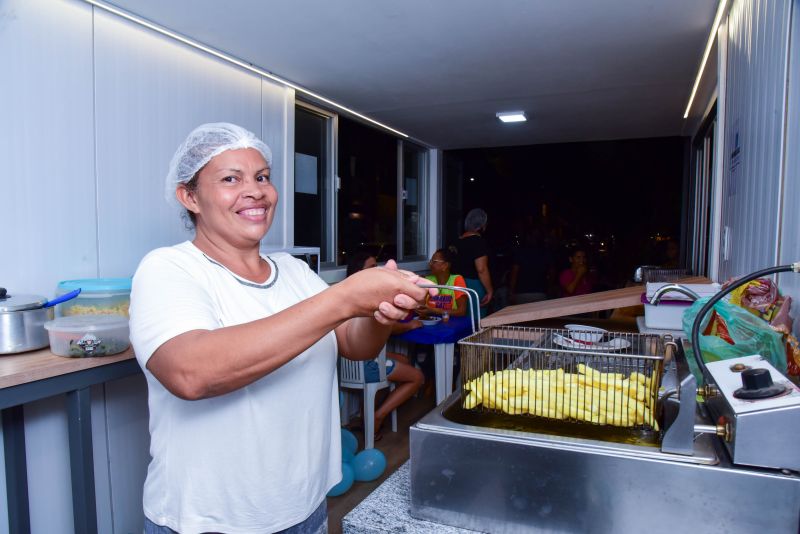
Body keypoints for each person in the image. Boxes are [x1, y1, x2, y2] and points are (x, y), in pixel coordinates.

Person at [129, 123, 432, 534]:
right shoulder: (169, 269)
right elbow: (190, 372)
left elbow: (353, 344)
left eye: (262, 177)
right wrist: (342, 298)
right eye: (231, 179)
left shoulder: (291, 271)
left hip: (304, 507)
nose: (255, 190)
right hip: (210, 520)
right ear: (190, 196)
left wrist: (379, 312)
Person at [345, 253, 424, 439]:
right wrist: (410, 324)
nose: (376, 270)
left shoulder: (347, 295)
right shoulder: (368, 298)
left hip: (348, 365)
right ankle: (377, 416)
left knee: (403, 359)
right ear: (360, 272)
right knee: (417, 377)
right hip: (366, 365)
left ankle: (367, 416)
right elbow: (389, 327)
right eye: (371, 267)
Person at [450, 208, 493, 317]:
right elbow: (481, 269)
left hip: (455, 285)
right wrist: (490, 291)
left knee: (459, 322)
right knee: (475, 323)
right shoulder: (478, 242)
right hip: (472, 287)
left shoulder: (456, 242)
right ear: (483, 225)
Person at [508, 228, 553, 304]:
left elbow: (514, 274)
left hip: (522, 293)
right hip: (540, 293)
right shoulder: (545, 252)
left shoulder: (520, 252)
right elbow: (552, 273)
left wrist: (511, 291)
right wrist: (549, 288)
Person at [423, 248, 469, 317]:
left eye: (434, 261)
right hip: (432, 321)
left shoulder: (457, 280)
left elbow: (462, 311)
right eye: (430, 261)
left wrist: (434, 311)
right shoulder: (428, 280)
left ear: (445, 265)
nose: (430, 264)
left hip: (454, 323)